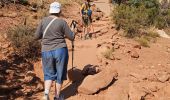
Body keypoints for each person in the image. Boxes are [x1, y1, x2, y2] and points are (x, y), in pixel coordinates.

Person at [34, 2, 75, 100]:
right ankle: (57, 96)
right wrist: (73, 29)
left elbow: (36, 36)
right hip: (60, 50)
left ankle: (46, 95)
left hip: (46, 50)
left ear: (50, 10)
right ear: (59, 11)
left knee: (48, 73)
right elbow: (71, 37)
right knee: (60, 73)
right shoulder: (62, 22)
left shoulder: (43, 21)